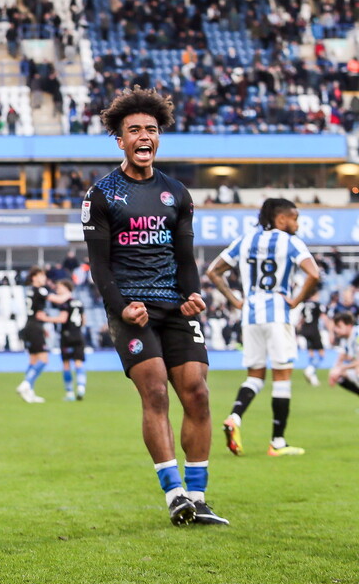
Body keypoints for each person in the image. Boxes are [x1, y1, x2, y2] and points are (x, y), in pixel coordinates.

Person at [82, 86, 227, 526]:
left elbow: (185, 259)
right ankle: (174, 495)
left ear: (158, 136)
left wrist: (194, 294)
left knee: (198, 394)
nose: (144, 136)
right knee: (157, 391)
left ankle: (198, 496)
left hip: (175, 307)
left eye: (151, 129)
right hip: (132, 310)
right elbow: (99, 266)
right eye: (134, 130)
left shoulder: (177, 193)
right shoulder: (101, 195)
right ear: (120, 140)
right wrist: (123, 307)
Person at [207, 198, 320, 457]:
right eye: (295, 218)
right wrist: (296, 300)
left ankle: (235, 417)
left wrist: (235, 300)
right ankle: (277, 442)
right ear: (282, 219)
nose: (297, 224)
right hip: (278, 314)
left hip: (251, 315)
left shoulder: (245, 240)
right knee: (282, 378)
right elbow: (313, 274)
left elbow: (214, 271)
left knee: (254, 376)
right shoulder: (290, 242)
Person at [15, 268, 64, 403]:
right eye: (41, 275)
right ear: (34, 277)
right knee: (44, 359)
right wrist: (68, 294)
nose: (44, 278)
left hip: (29, 326)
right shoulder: (41, 289)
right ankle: (26, 383)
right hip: (35, 327)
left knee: (33, 360)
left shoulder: (30, 290)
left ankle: (29, 391)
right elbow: (58, 300)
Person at [50, 279, 87, 400]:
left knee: (66, 364)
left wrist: (45, 319)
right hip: (78, 334)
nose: (57, 289)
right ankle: (81, 388)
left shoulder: (65, 303)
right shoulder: (79, 302)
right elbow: (84, 320)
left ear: (67, 288)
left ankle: (70, 393)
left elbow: (62, 319)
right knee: (78, 362)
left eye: (59, 287)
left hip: (67, 335)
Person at [298, 288, 326, 387]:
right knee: (322, 353)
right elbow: (324, 317)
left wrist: (298, 332)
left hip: (305, 331)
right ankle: (310, 369)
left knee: (311, 353)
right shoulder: (318, 305)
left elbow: (301, 320)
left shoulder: (304, 305)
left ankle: (313, 377)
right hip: (314, 330)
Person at [328, 312, 359, 395]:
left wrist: (342, 368)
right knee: (339, 376)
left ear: (349, 326)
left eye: (339, 326)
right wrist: (334, 371)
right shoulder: (344, 339)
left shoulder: (357, 335)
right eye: (335, 327)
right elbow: (341, 357)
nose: (335, 330)